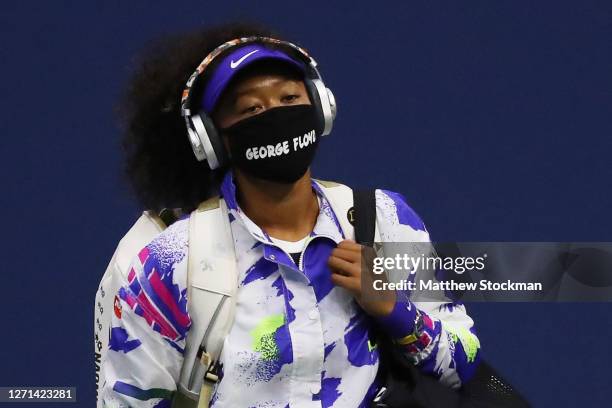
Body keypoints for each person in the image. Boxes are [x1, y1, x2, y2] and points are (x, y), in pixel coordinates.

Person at [99, 22, 481, 408]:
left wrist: (394, 310)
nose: (275, 115)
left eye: (288, 98)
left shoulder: (383, 219)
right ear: (212, 140)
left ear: (321, 108)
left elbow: (463, 363)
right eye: (251, 108)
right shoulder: (169, 264)